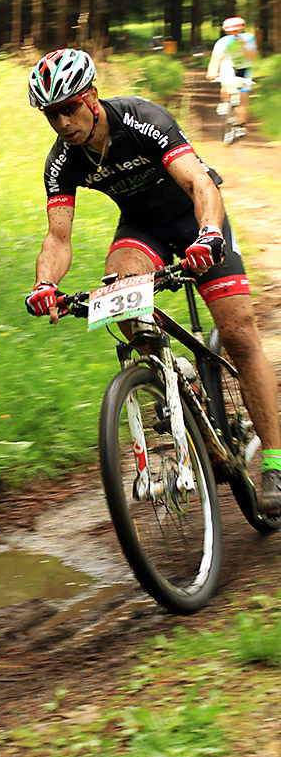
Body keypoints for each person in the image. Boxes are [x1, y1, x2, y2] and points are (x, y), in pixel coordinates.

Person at [24, 47, 281, 513]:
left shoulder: (142, 119)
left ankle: (277, 464)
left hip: (195, 216)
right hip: (142, 231)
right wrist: (45, 286)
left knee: (240, 334)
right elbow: (58, 237)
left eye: (68, 109)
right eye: (51, 115)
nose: (62, 123)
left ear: (92, 97)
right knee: (120, 300)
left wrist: (207, 236)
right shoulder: (62, 161)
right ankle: (175, 386)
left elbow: (199, 184)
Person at [206, 16, 257, 133]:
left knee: (243, 99)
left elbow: (253, 57)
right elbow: (216, 59)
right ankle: (225, 102)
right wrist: (212, 72)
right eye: (231, 31)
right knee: (226, 86)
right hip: (229, 67)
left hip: (246, 68)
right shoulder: (222, 42)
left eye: (237, 31)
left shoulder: (249, 38)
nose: (234, 34)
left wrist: (243, 46)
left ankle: (240, 125)